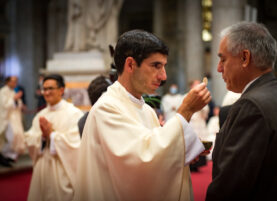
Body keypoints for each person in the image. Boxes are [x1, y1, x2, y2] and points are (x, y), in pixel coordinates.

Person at [74, 29, 211, 201]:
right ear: (130, 65)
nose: (163, 76)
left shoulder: (145, 109)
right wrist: (186, 111)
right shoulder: (107, 108)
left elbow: (155, 151)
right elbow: (142, 163)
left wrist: (183, 150)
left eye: (164, 66)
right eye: (156, 66)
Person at [205, 22, 277, 201]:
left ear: (245, 58)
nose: (218, 68)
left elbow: (230, 187)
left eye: (223, 59)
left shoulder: (252, 105)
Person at [24, 74, 83, 201]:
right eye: (44, 89)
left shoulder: (74, 113)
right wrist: (43, 138)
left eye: (51, 88)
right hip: (42, 170)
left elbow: (76, 143)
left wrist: (52, 134)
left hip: (62, 171)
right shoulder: (41, 115)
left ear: (61, 90)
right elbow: (29, 139)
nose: (46, 92)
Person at [0, 76, 25, 167]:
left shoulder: (13, 91)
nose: (15, 83)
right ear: (7, 82)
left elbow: (18, 104)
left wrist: (17, 100)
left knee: (18, 135)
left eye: (16, 81)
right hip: (6, 118)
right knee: (12, 136)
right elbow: (4, 105)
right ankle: (4, 155)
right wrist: (14, 99)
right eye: (13, 81)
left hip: (14, 118)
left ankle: (9, 156)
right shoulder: (3, 91)